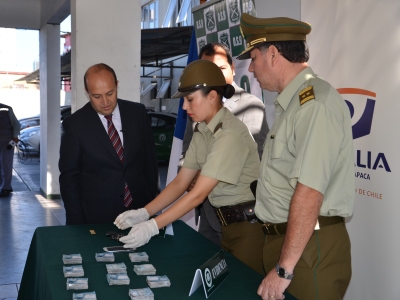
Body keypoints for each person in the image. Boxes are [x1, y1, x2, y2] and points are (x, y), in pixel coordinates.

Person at [237, 14, 355, 300]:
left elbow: (310, 191)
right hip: (289, 244)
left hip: (308, 251)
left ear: (274, 54)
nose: (250, 68)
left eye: (254, 57)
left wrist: (284, 270)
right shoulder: (294, 103)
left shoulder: (314, 104)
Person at [114, 60, 265, 274]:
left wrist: (153, 226)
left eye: (190, 99)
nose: (184, 107)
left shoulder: (229, 135)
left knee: (242, 289)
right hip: (223, 224)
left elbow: (197, 194)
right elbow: (181, 182)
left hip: (247, 227)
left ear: (212, 96)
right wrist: (145, 212)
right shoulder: (203, 129)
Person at [181, 42, 269, 246]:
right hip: (207, 210)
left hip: (239, 213)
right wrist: (189, 177)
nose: (211, 74)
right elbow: (188, 149)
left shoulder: (250, 106)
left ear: (232, 69)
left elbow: (258, 158)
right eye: (205, 68)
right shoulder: (195, 106)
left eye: (219, 68)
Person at [59, 63, 158, 225]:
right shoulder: (75, 125)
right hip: (97, 216)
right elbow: (69, 179)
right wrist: (76, 223)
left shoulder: (138, 113)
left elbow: (150, 162)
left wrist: (151, 205)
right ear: (87, 92)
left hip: (140, 209)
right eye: (96, 96)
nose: (105, 102)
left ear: (117, 85)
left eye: (110, 93)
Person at [0, 103, 20, 197]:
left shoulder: (6, 109)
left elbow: (16, 125)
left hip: (6, 142)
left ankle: (6, 188)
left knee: (5, 164)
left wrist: (14, 140)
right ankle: (5, 185)